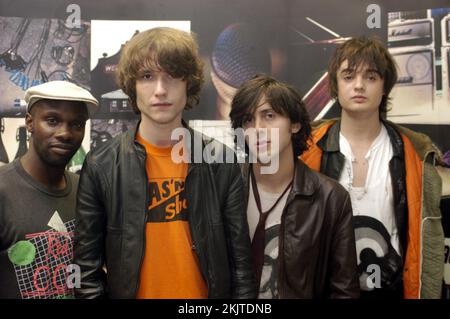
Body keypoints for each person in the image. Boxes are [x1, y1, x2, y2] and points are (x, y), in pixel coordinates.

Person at [73, 27, 256, 299]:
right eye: (147, 76)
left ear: (189, 84)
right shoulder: (101, 165)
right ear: (132, 86)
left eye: (172, 75)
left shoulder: (221, 160)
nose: (160, 90)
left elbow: (241, 266)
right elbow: (85, 271)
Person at [301, 36, 445, 299]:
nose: (359, 85)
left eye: (370, 77)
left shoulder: (414, 153)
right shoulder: (308, 149)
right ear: (334, 85)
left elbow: (427, 242)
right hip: (326, 289)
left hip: (391, 289)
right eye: (348, 76)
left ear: (384, 86)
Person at [229, 74, 359, 298]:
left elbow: (343, 289)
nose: (258, 128)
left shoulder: (330, 198)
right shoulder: (225, 188)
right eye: (248, 120)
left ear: (295, 124)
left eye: (269, 115)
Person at [0, 80, 98, 298]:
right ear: (30, 122)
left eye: (77, 124)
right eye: (52, 120)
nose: (65, 133)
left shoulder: (86, 191)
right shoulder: (3, 190)